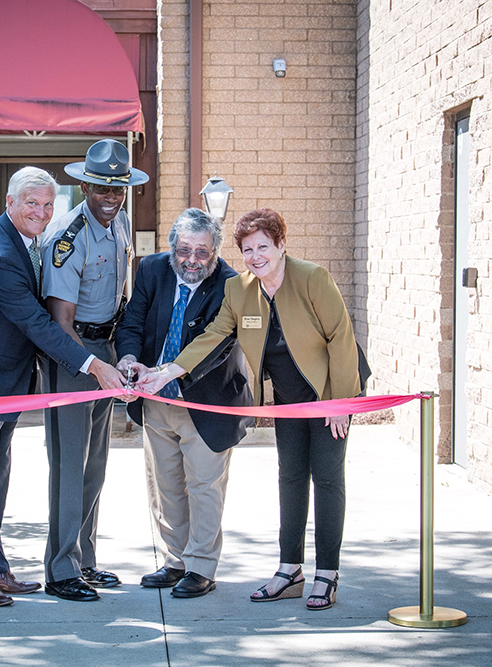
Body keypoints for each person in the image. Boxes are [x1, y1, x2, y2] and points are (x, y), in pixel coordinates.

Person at [137, 208, 362, 611]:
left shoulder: (312, 278)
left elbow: (340, 338)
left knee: (327, 481)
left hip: (329, 396)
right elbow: (215, 335)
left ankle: (326, 574)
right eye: (248, 249)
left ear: (281, 245)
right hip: (288, 403)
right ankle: (289, 570)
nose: (256, 256)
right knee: (290, 480)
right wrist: (167, 371)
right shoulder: (241, 290)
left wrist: (342, 401)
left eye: (263, 247)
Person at [0, 167, 126, 608]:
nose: (41, 212)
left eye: (46, 204)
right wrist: (94, 364)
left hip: (4, 384)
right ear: (10, 203)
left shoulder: (25, 242)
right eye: (31, 203)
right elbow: (38, 324)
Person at [114, 208, 253, 598]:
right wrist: (127, 357)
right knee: (166, 484)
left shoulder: (230, 284)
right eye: (184, 250)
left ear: (215, 253)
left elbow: (219, 345)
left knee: (205, 486)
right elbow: (133, 321)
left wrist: (171, 372)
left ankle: (201, 567)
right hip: (155, 399)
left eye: (202, 252)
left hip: (207, 401)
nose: (191, 260)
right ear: (172, 246)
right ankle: (175, 561)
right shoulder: (152, 270)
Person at [39, 139, 147, 601]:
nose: (111, 196)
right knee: (68, 464)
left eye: (118, 188)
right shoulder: (68, 236)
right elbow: (61, 322)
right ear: (84, 185)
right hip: (74, 353)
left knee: (95, 463)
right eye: (102, 188)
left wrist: (118, 356)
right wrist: (94, 364)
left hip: (104, 346)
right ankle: (61, 571)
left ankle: (84, 558)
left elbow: (119, 299)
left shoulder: (119, 220)